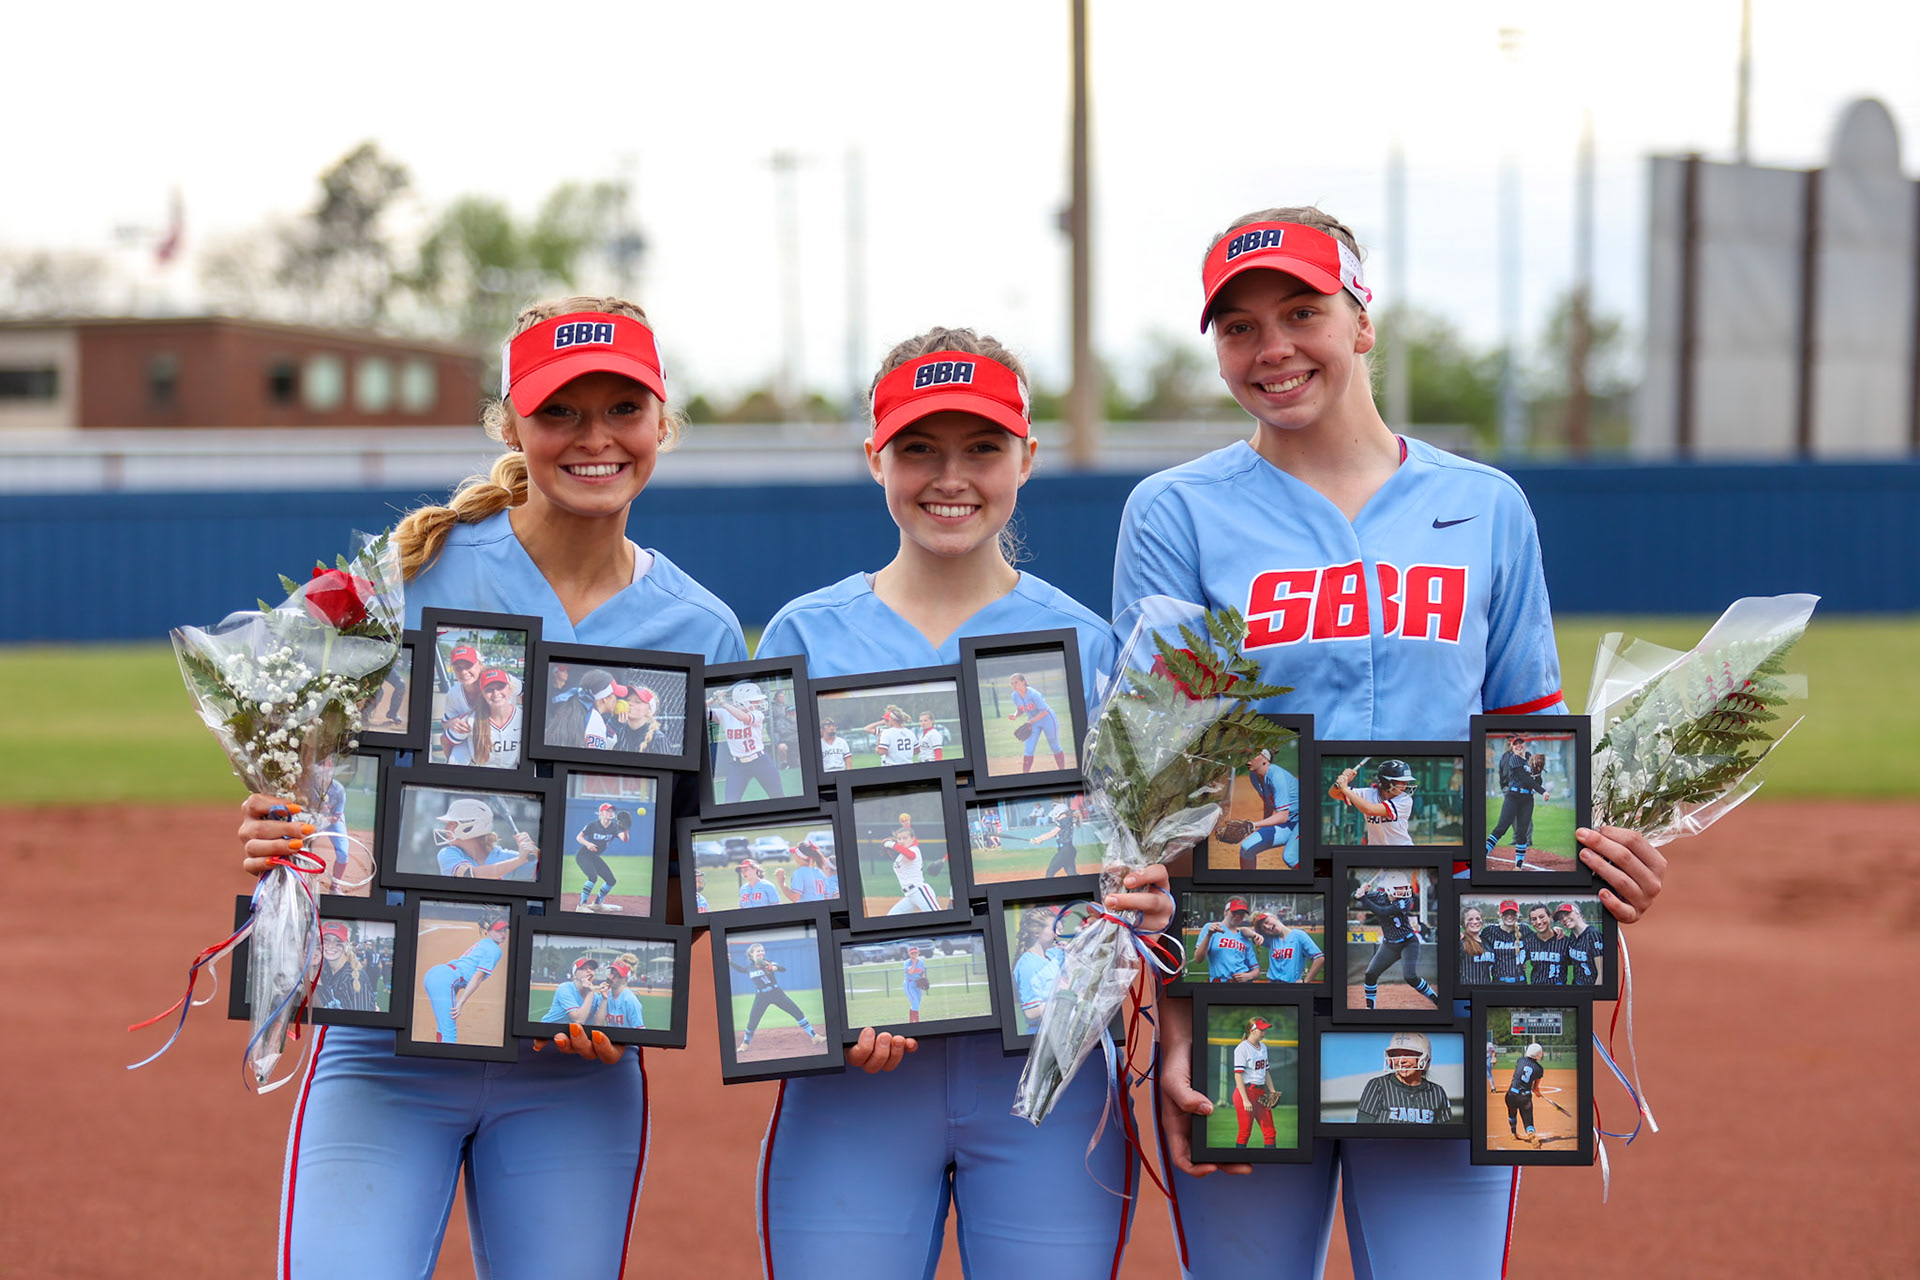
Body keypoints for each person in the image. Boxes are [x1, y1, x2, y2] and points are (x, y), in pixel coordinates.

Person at [1111, 208, 1668, 1277]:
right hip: (1251, 975)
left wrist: (1599, 873)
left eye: (1301, 311)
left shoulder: (1485, 507)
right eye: (1237, 326)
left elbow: (1529, 757)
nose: (1271, 348)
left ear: (1362, 319)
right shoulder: (1175, 514)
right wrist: (1177, 1016)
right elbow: (1162, 798)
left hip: (1450, 983)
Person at [233, 296, 747, 1276]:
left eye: (622, 408)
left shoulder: (703, 632)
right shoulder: (405, 576)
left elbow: (701, 864)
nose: (594, 438)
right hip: (384, 1053)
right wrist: (278, 824)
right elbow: (287, 732)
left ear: (661, 422)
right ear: (511, 424)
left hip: (572, 1071)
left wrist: (630, 976)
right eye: (560, 412)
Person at [753, 326, 1170, 1276]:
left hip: (1046, 1079)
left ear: (1027, 455)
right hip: (856, 1081)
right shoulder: (803, 633)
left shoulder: (1088, 642)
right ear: (876, 459)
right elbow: (763, 858)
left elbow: (1132, 850)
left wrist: (1147, 897)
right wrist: (825, 1001)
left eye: (982, 446)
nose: (952, 476)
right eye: (919, 448)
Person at [1349, 870, 1438, 1010]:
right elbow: (1354, 896)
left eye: (1404, 887)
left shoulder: (1405, 901)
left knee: (1410, 977)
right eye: (1399, 888)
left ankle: (1436, 999)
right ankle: (1369, 1009)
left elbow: (1383, 912)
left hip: (1408, 943)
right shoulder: (1379, 896)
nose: (1403, 890)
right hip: (1389, 944)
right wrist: (1359, 892)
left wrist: (1364, 899)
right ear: (1389, 888)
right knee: (1370, 974)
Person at [421, 918, 509, 1044]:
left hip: (437, 975)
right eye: (498, 930)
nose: (503, 934)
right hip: (445, 980)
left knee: (444, 1025)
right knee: (449, 1031)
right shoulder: (494, 950)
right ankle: (446, 1062)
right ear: (488, 931)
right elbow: (477, 977)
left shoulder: (483, 943)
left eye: (505, 930)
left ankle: (439, 1056)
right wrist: (460, 1003)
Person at [730, 941, 828, 1049]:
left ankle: (815, 1036)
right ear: (752, 953)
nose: (761, 952)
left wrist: (772, 967)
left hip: (776, 993)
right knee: (752, 1021)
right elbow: (741, 969)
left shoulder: (768, 962)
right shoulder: (750, 968)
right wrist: (730, 962)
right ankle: (745, 1044)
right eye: (758, 951)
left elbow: (782, 968)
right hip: (761, 997)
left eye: (762, 950)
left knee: (797, 1012)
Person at [430, 797, 539, 882]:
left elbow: (549, 872)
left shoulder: (504, 856)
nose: (446, 828)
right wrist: (520, 860)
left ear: (469, 826)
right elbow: (470, 875)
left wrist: (535, 852)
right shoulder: (448, 853)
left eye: (451, 824)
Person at [1355, 1031, 1451, 1125]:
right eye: (1396, 1054)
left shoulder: (1436, 1092)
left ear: (1424, 1058)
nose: (1402, 1060)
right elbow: (1362, 1130)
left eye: (1408, 1054)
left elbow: (1445, 1134)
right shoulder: (1378, 1086)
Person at [1486, 734, 1545, 869]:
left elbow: (1536, 780)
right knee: (1502, 828)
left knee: (1522, 831)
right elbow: (1523, 778)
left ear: (1525, 744)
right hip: (1513, 794)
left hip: (1527, 798)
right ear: (1511, 746)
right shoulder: (1513, 758)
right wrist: (1542, 791)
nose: (1519, 745)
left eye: (1521, 743)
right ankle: (1481, 855)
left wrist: (1538, 772)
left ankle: (1518, 865)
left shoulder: (1530, 757)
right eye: (1515, 744)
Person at [1235, 747, 1300, 869]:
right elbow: (1267, 802)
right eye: (1246, 756)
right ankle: (1247, 887)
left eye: (1252, 756)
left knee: (1290, 857)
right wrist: (1265, 827)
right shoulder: (1254, 776)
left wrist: (1253, 825)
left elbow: (1282, 816)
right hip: (1289, 824)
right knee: (1246, 848)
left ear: (1265, 760)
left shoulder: (1277, 776)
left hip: (1306, 821)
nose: (1247, 760)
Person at [1330, 758, 1416, 845]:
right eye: (1400, 781)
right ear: (1385, 781)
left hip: (1401, 850)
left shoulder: (1405, 800)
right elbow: (1334, 794)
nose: (1404, 785)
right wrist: (1342, 781)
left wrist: (1345, 788)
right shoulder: (1369, 793)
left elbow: (1371, 810)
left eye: (1406, 781)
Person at [1011, 905, 1067, 1033]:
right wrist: (1062, 1004)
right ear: (1037, 932)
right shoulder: (1028, 965)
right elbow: (1030, 1012)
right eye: (1053, 928)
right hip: (1042, 1036)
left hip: (1060, 1031)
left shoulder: (1052, 954)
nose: (1059, 932)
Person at [1231, 1017, 1278, 1149]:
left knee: (1270, 1133)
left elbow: (1266, 1072)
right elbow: (1238, 1075)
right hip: (1245, 1092)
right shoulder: (1242, 1048)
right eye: (1261, 1029)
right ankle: (1238, 1162)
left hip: (1260, 1093)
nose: (1264, 1032)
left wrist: (1272, 1091)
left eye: (1265, 1029)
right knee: (1245, 1132)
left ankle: (1271, 1163)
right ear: (1252, 1030)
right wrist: (1245, 1100)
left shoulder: (1263, 1047)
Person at [1005, 671, 1065, 772]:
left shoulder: (1033, 694)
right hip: (1033, 722)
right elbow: (1020, 709)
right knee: (1029, 749)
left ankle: (1062, 771)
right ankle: (1025, 775)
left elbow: (1045, 711)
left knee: (1054, 745)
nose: (1014, 685)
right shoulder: (1015, 695)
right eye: (1012, 683)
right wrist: (1015, 715)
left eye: (1016, 682)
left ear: (1023, 682)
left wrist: (1030, 721)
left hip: (1048, 719)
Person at [572, 802, 626, 912]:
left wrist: (626, 829)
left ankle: (597, 904)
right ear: (601, 813)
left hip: (594, 856)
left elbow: (624, 839)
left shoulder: (614, 827)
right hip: (583, 855)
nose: (611, 813)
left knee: (611, 880)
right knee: (593, 877)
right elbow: (579, 837)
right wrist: (588, 844)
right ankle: (581, 905)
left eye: (612, 811)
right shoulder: (593, 825)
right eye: (608, 811)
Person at [312, 921, 377, 1012]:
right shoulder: (327, 970)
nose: (330, 946)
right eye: (326, 940)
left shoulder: (352, 978)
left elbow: (360, 1021)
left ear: (347, 944)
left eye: (338, 941)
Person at [1196, 898, 1262, 983]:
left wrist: (1249, 976)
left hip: (1243, 986)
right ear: (1225, 912)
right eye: (1234, 912)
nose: (1238, 916)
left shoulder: (1244, 936)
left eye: (1242, 913)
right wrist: (1209, 935)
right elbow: (1198, 959)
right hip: (1220, 984)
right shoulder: (1211, 927)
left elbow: (1256, 971)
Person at [1253, 909, 1323, 984]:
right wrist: (1256, 921)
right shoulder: (1271, 939)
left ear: (1274, 917)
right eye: (1264, 929)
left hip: (1291, 986)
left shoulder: (1299, 935)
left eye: (1267, 922)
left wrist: (1305, 981)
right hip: (1272, 985)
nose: (1267, 927)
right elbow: (1249, 935)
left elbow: (1319, 958)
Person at [1504, 1042, 1547, 1147]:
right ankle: (1530, 1132)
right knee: (1527, 1117)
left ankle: (1513, 1133)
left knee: (1512, 1112)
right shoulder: (1539, 1069)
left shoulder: (1520, 1060)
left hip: (1511, 1094)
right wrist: (1538, 1093)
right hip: (1525, 1098)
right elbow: (1535, 1088)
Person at [541, 957, 605, 1025]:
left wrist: (605, 999)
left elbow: (599, 1025)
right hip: (550, 1029)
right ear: (574, 975)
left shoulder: (596, 997)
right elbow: (579, 1020)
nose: (589, 971)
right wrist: (590, 993)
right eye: (583, 968)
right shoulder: (565, 988)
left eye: (591, 968)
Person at [1559, 901, 1607, 986]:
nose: (1564, 919)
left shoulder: (1593, 934)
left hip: (1590, 988)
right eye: (1560, 918)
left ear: (1578, 913)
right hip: (1576, 986)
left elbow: (1602, 973)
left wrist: (1596, 995)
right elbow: (1567, 961)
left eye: (1567, 914)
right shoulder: (1572, 936)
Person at [1523, 903, 1570, 985]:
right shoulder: (1529, 942)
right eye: (1534, 919)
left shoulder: (1564, 941)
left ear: (1550, 917)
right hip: (1537, 990)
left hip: (1559, 991)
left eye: (1542, 917)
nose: (1538, 922)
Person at [1487, 899, 1529, 984]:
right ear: (1500, 915)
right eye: (1506, 913)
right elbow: (1475, 937)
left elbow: (1541, 937)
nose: (1509, 916)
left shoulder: (1525, 930)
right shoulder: (1490, 931)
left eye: (1512, 913)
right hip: (1499, 982)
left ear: (1517, 915)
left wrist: (1555, 930)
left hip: (1520, 981)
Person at [1458, 905, 1495, 986]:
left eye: (1478, 919)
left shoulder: (1487, 942)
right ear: (1463, 923)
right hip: (1467, 990)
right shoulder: (1461, 942)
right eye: (1470, 919)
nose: (1475, 922)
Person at [901, 944, 929, 1023]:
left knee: (917, 1004)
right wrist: (914, 963)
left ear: (918, 953)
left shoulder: (921, 962)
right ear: (909, 954)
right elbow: (910, 971)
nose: (914, 955)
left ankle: (912, 1022)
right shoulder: (907, 962)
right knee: (915, 1003)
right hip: (909, 985)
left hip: (918, 985)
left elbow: (922, 972)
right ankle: (915, 1022)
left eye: (915, 953)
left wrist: (923, 979)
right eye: (912, 953)